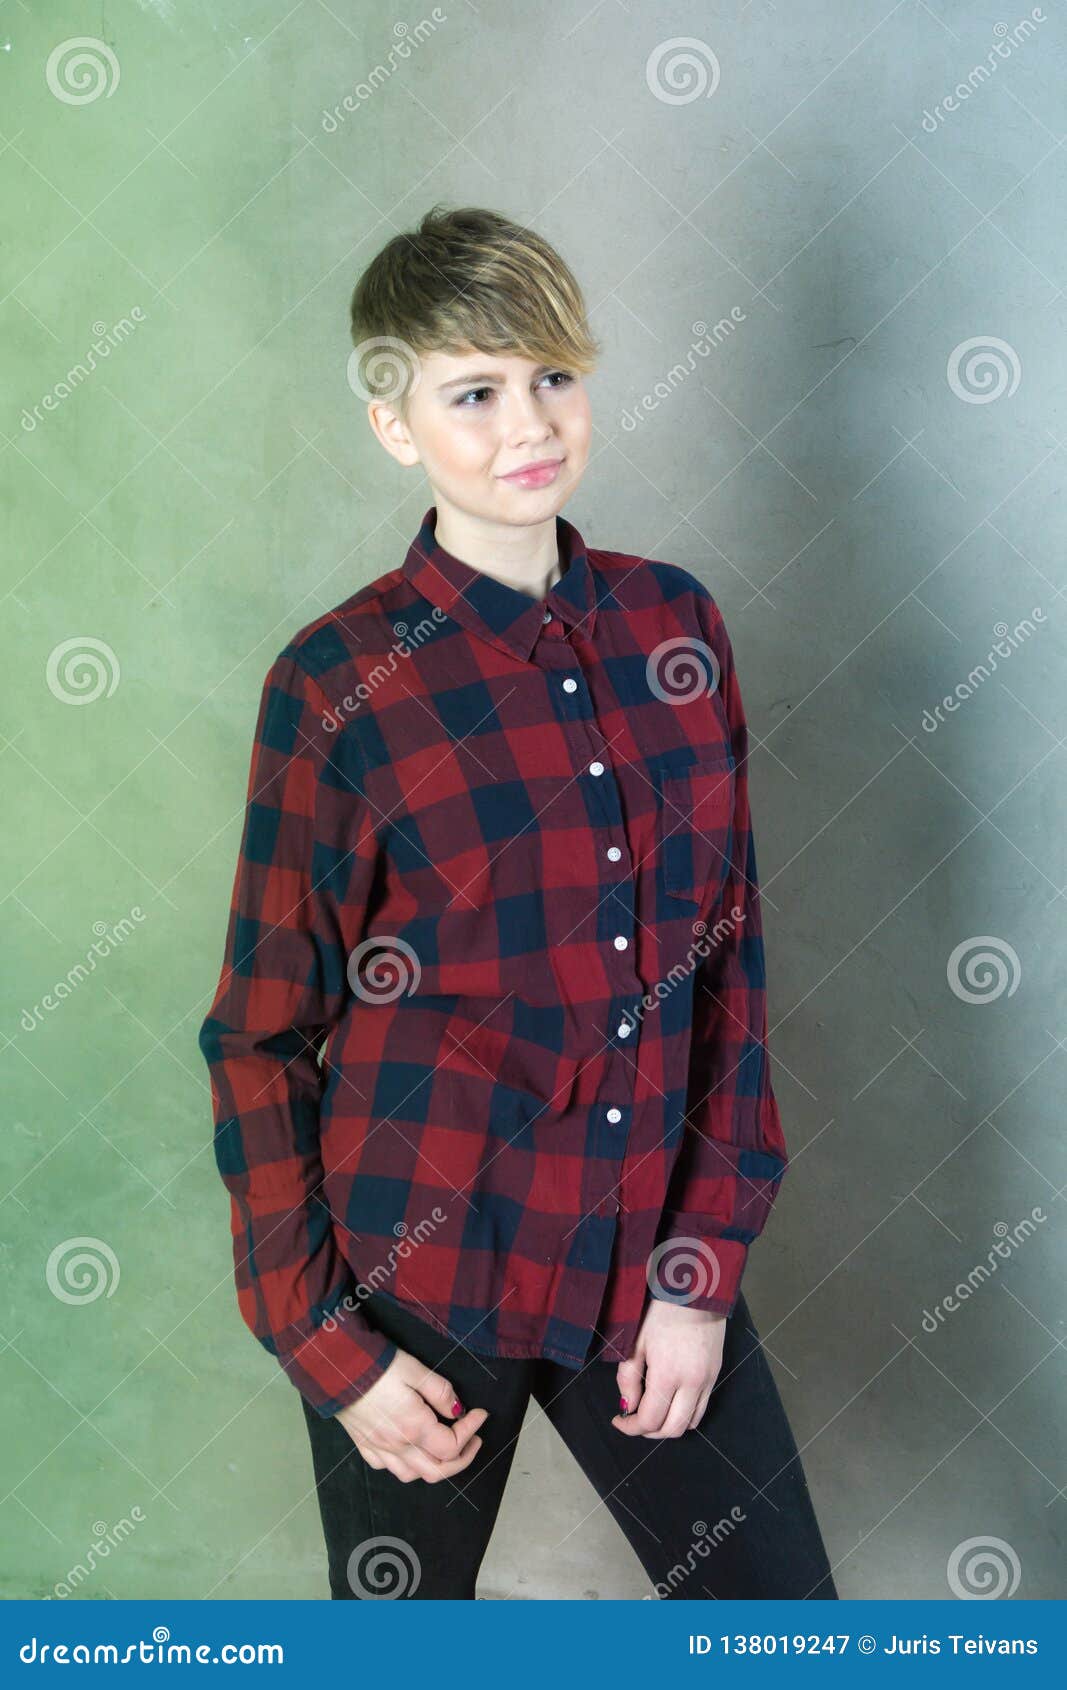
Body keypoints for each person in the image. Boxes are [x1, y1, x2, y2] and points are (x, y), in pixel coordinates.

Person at [198, 204, 837, 1601]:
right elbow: (256, 1039)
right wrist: (330, 1348)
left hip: (640, 1263)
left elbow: (730, 967)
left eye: (552, 375)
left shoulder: (678, 629)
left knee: (790, 1631)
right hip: (416, 1292)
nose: (527, 422)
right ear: (396, 425)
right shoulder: (337, 683)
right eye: (474, 392)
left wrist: (702, 1265)